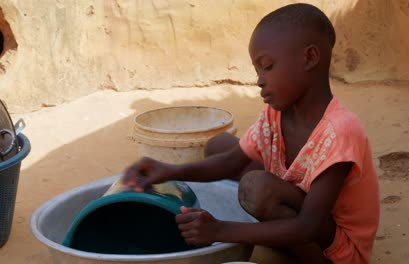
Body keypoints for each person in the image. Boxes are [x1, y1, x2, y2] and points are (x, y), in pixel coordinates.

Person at [123, 3, 379, 263]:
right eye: (257, 70)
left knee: (257, 189)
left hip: (334, 251)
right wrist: (169, 170)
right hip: (297, 206)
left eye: (267, 66)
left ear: (310, 58)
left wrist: (221, 230)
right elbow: (229, 161)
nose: (259, 80)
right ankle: (272, 227)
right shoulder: (276, 115)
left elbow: (308, 226)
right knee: (220, 146)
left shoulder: (341, 132)